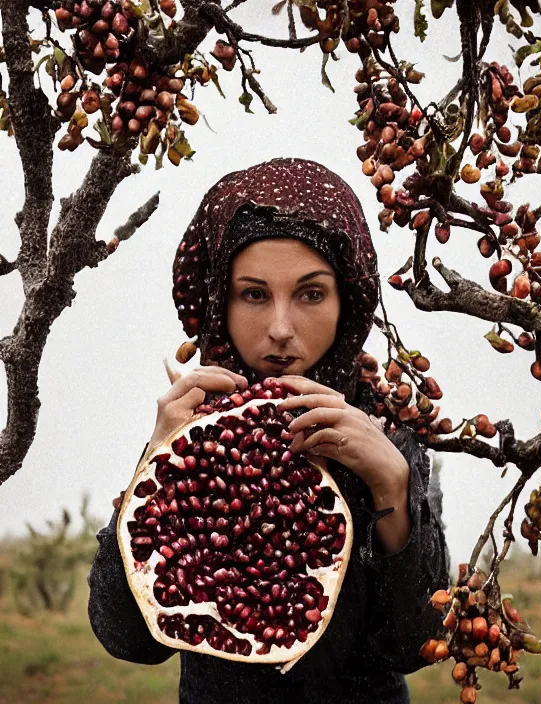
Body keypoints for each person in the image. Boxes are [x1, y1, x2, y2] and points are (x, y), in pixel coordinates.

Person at [87, 157, 451, 704]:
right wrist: (159, 462)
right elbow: (126, 638)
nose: (281, 330)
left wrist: (393, 487)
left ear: (347, 300)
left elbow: (415, 645)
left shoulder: (386, 431)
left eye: (310, 294)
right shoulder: (192, 430)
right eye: (254, 294)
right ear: (219, 300)